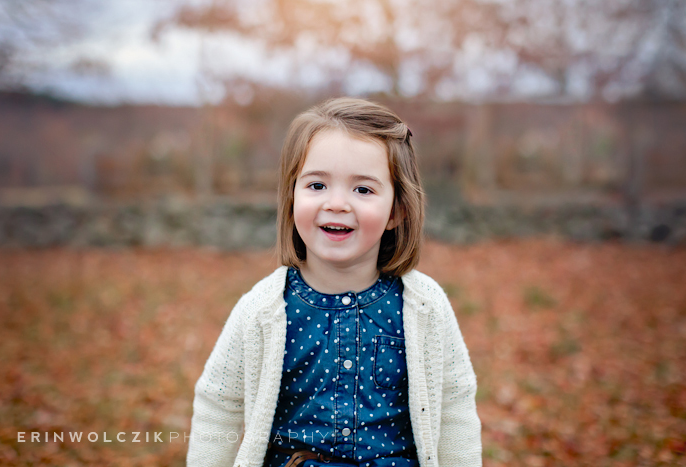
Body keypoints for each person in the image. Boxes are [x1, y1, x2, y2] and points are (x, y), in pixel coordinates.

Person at [187, 97, 482, 467]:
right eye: (317, 185)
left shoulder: (424, 307)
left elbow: (453, 406)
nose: (337, 203)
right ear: (292, 197)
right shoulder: (262, 310)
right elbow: (220, 403)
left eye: (363, 189)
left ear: (397, 211)